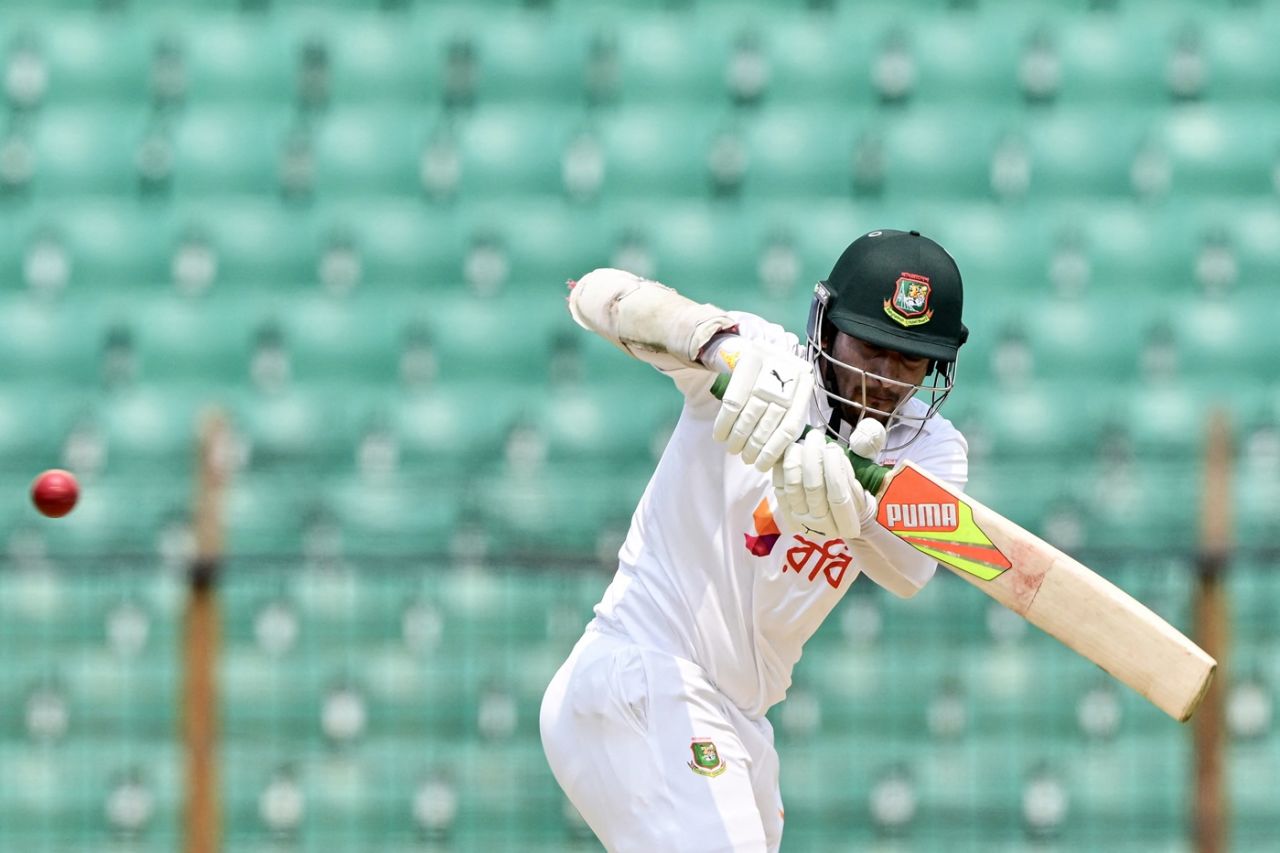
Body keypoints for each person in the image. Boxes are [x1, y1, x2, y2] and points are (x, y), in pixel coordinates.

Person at [540, 229, 970, 852]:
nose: (884, 377)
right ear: (826, 326)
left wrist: (856, 508)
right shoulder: (761, 359)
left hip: (739, 718)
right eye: (870, 346)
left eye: (910, 358)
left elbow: (911, 571)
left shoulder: (931, 449)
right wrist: (712, 344)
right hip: (643, 670)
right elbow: (593, 295)